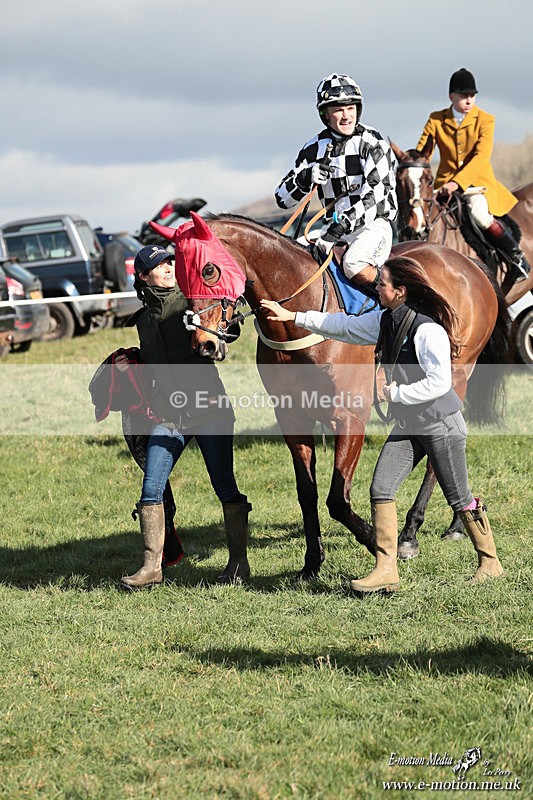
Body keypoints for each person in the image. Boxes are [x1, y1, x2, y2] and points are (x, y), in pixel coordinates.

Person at [260, 256, 504, 593]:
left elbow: (440, 382)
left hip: (439, 424)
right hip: (408, 424)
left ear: (400, 292)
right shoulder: (386, 320)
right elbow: (342, 326)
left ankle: (490, 562)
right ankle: (386, 570)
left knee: (459, 497)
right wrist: (294, 316)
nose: (376, 288)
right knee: (381, 489)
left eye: (382, 284)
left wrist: (393, 391)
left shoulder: (428, 330)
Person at [116, 244, 251, 590]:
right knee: (151, 488)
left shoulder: (194, 303)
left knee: (224, 487)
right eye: (160, 265)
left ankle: (238, 563)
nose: (169, 267)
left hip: (210, 411)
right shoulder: (143, 320)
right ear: (144, 276)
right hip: (168, 416)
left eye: (171, 262)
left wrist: (212, 333)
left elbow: (227, 332)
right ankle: (151, 568)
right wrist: (128, 365)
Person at [274, 73, 398, 293]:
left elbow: (375, 195)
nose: (346, 116)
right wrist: (305, 177)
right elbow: (282, 199)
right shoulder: (313, 148)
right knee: (285, 264)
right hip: (333, 228)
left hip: (373, 225)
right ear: (325, 115)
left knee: (354, 264)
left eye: (350, 108)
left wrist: (342, 226)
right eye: (338, 110)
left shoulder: (373, 142)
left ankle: (394, 304)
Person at [417, 67, 530, 284]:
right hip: (443, 185)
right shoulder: (436, 119)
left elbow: (480, 158)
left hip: (476, 184)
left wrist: (455, 183)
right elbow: (423, 150)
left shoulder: (486, 120)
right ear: (452, 97)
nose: (469, 100)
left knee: (479, 214)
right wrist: (412, 162)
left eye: (472, 96)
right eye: (463, 96)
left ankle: (516, 258)